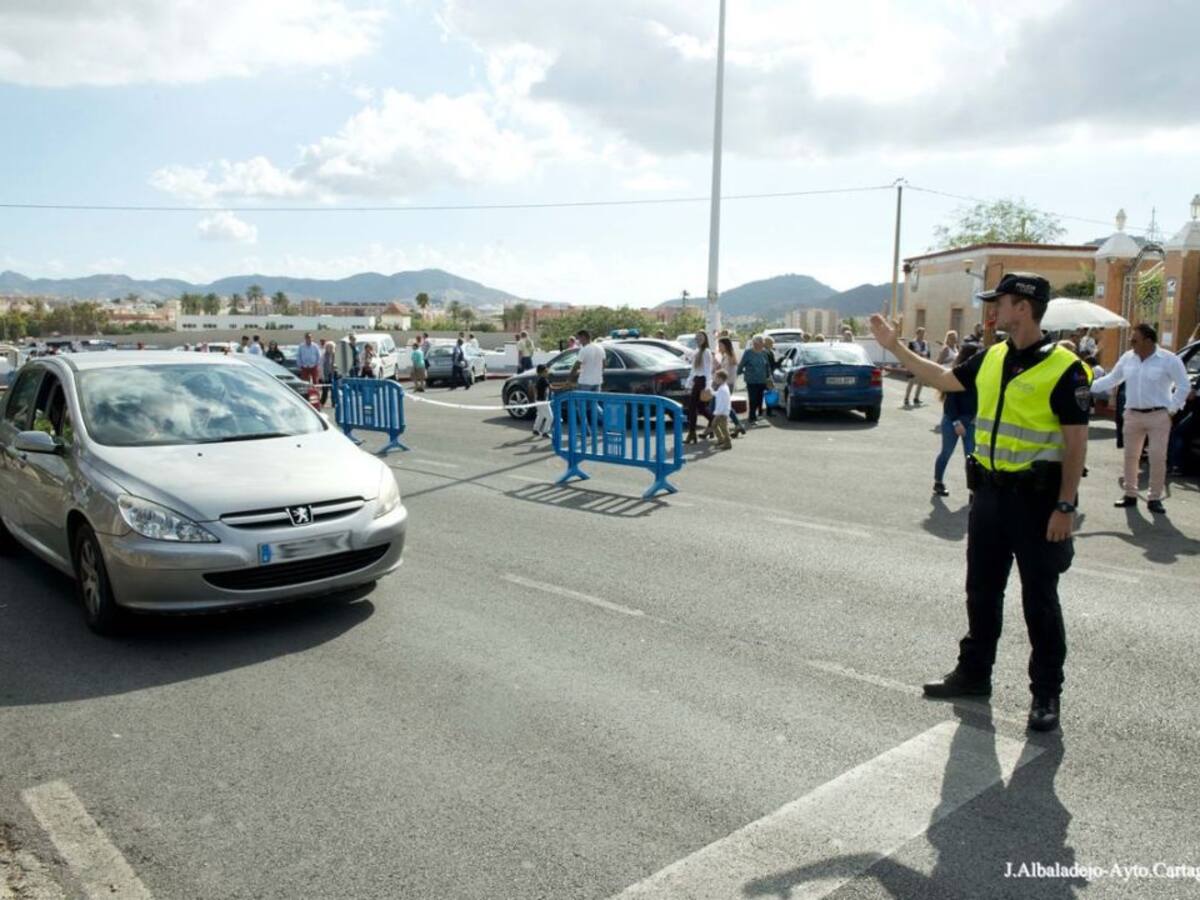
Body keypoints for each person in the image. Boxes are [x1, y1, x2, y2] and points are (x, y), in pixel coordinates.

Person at [869, 272, 1090, 733]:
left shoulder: (1065, 368)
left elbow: (1076, 445)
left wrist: (1065, 507)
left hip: (1036, 503)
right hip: (988, 497)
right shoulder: (991, 357)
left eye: (1000, 302)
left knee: (1040, 602)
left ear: (1024, 308)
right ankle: (974, 674)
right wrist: (895, 346)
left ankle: (1046, 694)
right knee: (982, 592)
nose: (993, 311)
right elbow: (943, 379)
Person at [1090, 323, 1192, 514]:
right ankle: (1130, 494)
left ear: (1148, 340)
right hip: (1132, 414)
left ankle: (1154, 498)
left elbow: (1184, 386)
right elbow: (1112, 379)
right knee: (1131, 457)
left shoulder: (1169, 359)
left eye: (1134, 339)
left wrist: (1171, 410)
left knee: (1157, 457)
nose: (1130, 342)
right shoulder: (1128, 358)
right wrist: (1086, 385)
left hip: (1158, 415)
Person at [933, 343, 980, 496]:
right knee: (946, 453)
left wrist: (975, 417)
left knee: (971, 456)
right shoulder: (957, 374)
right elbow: (950, 403)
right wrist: (956, 422)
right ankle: (938, 483)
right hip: (953, 420)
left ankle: (973, 491)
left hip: (971, 421)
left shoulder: (980, 375)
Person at [684, 331, 714, 443]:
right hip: (697, 381)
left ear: (705, 339)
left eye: (701, 337)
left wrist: (708, 386)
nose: (698, 339)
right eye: (697, 337)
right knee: (700, 408)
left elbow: (708, 370)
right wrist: (688, 383)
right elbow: (693, 370)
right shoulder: (696, 352)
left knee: (692, 408)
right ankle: (713, 422)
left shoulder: (706, 352)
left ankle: (692, 433)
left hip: (702, 381)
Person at [713, 336, 745, 437]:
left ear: (726, 346)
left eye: (720, 345)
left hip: (727, 384)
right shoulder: (725, 356)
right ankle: (737, 425)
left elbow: (730, 370)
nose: (719, 347)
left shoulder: (730, 356)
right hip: (723, 383)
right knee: (725, 405)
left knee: (721, 405)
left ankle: (715, 427)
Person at [738, 335, 773, 426]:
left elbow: (767, 365)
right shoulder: (748, 353)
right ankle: (752, 417)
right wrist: (739, 373)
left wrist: (769, 376)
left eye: (762, 343)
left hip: (762, 379)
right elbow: (742, 364)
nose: (761, 345)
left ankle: (757, 415)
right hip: (751, 380)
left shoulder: (764, 353)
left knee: (759, 399)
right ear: (754, 343)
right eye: (759, 343)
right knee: (752, 399)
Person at [904, 326, 931, 407]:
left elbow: (929, 354)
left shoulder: (926, 343)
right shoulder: (912, 343)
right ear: (917, 333)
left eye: (923, 333)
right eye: (921, 333)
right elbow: (908, 354)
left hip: (923, 364)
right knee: (911, 382)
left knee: (921, 382)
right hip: (914, 364)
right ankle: (906, 398)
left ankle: (916, 398)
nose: (922, 335)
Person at [710, 370, 733, 450]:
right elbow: (718, 395)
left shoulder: (722, 389)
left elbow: (721, 402)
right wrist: (712, 392)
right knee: (716, 425)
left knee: (723, 428)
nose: (715, 379)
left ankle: (727, 443)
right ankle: (721, 440)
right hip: (723, 412)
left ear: (720, 378)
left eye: (716, 377)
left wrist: (718, 413)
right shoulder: (723, 387)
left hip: (722, 413)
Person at [531, 364, 553, 438]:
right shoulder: (543, 380)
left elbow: (534, 388)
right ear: (542, 372)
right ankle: (545, 432)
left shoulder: (540, 379)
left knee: (540, 415)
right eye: (546, 371)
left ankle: (536, 429)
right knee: (550, 417)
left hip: (538, 401)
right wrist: (564, 386)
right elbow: (552, 388)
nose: (548, 372)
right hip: (543, 401)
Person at [762, 336, 779, 419]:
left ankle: (760, 411)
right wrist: (780, 361)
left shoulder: (762, 351)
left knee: (760, 394)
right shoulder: (769, 352)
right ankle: (769, 411)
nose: (773, 345)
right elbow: (772, 364)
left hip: (761, 375)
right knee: (770, 393)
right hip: (768, 375)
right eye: (772, 343)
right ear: (769, 343)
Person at [320, 339, 337, 406]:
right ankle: (322, 403)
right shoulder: (323, 355)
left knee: (333, 390)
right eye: (328, 347)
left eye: (331, 347)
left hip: (333, 374)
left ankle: (334, 403)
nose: (330, 348)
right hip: (326, 374)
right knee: (325, 390)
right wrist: (322, 375)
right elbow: (321, 366)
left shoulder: (335, 355)